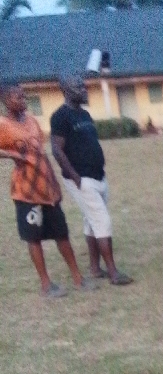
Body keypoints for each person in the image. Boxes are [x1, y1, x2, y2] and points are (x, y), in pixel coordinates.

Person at [0, 81, 94, 297]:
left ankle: (78, 278)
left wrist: (54, 182)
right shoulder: (3, 124)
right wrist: (13, 154)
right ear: (6, 101)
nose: (23, 99)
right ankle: (46, 285)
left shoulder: (31, 120)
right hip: (26, 192)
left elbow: (40, 151)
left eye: (24, 95)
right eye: (18, 97)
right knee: (33, 237)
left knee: (62, 234)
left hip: (47, 188)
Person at [50, 76, 132, 285]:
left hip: (97, 176)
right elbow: (57, 150)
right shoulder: (60, 117)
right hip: (81, 178)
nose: (84, 89)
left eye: (83, 86)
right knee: (102, 221)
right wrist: (75, 177)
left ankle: (95, 268)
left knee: (91, 221)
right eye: (78, 87)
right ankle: (113, 273)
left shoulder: (85, 114)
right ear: (66, 90)